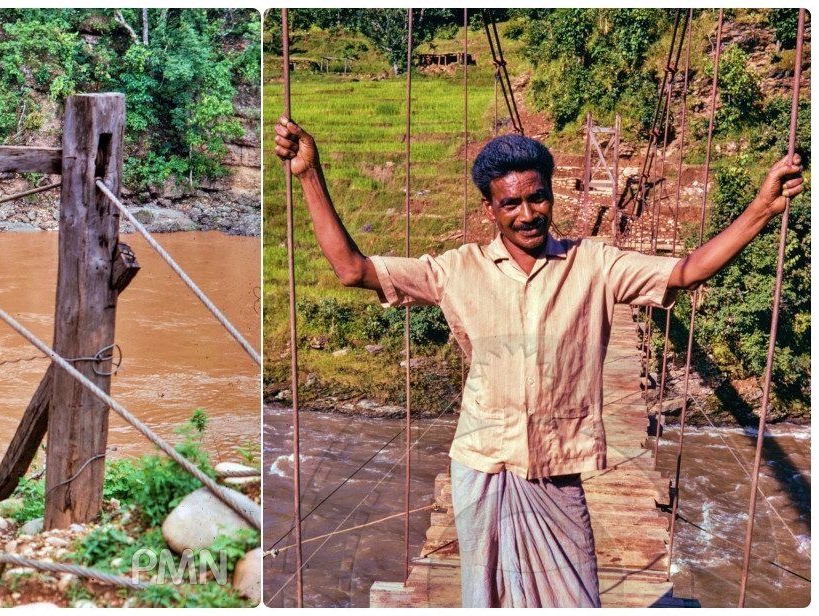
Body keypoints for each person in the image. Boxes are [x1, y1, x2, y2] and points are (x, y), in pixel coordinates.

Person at [273, 116, 805, 608]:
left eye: (537, 198)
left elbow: (686, 272)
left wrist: (759, 210)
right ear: (489, 208)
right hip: (481, 463)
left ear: (551, 197)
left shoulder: (595, 264)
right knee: (488, 598)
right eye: (510, 204)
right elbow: (352, 269)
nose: (527, 214)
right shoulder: (458, 269)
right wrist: (310, 175)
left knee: (577, 600)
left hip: (555, 469)